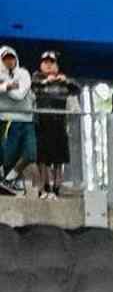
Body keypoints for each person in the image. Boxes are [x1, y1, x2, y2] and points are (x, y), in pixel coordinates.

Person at [33, 51, 75, 196]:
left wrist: (66, 81)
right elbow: (32, 87)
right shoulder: (36, 78)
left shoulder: (62, 80)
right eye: (45, 62)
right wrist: (47, 81)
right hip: (42, 124)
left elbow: (77, 89)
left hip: (59, 124)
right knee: (42, 158)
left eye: (51, 62)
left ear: (57, 65)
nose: (48, 65)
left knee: (59, 158)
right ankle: (44, 186)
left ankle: (57, 187)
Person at [0, 47, 36, 193]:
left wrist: (3, 87)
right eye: (5, 58)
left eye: (11, 57)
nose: (9, 60)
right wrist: (8, 85)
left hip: (27, 119)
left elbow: (20, 94)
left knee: (30, 154)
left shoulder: (23, 73)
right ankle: (10, 182)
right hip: (7, 119)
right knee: (8, 157)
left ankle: (9, 179)